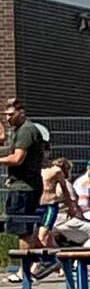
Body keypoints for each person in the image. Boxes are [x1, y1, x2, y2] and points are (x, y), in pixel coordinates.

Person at [2, 100, 49, 239]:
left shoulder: (26, 130)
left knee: (24, 232)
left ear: (21, 113)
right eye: (6, 115)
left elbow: (17, 159)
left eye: (11, 114)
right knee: (26, 229)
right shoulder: (20, 130)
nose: (7, 118)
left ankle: (26, 254)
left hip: (25, 189)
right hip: (23, 186)